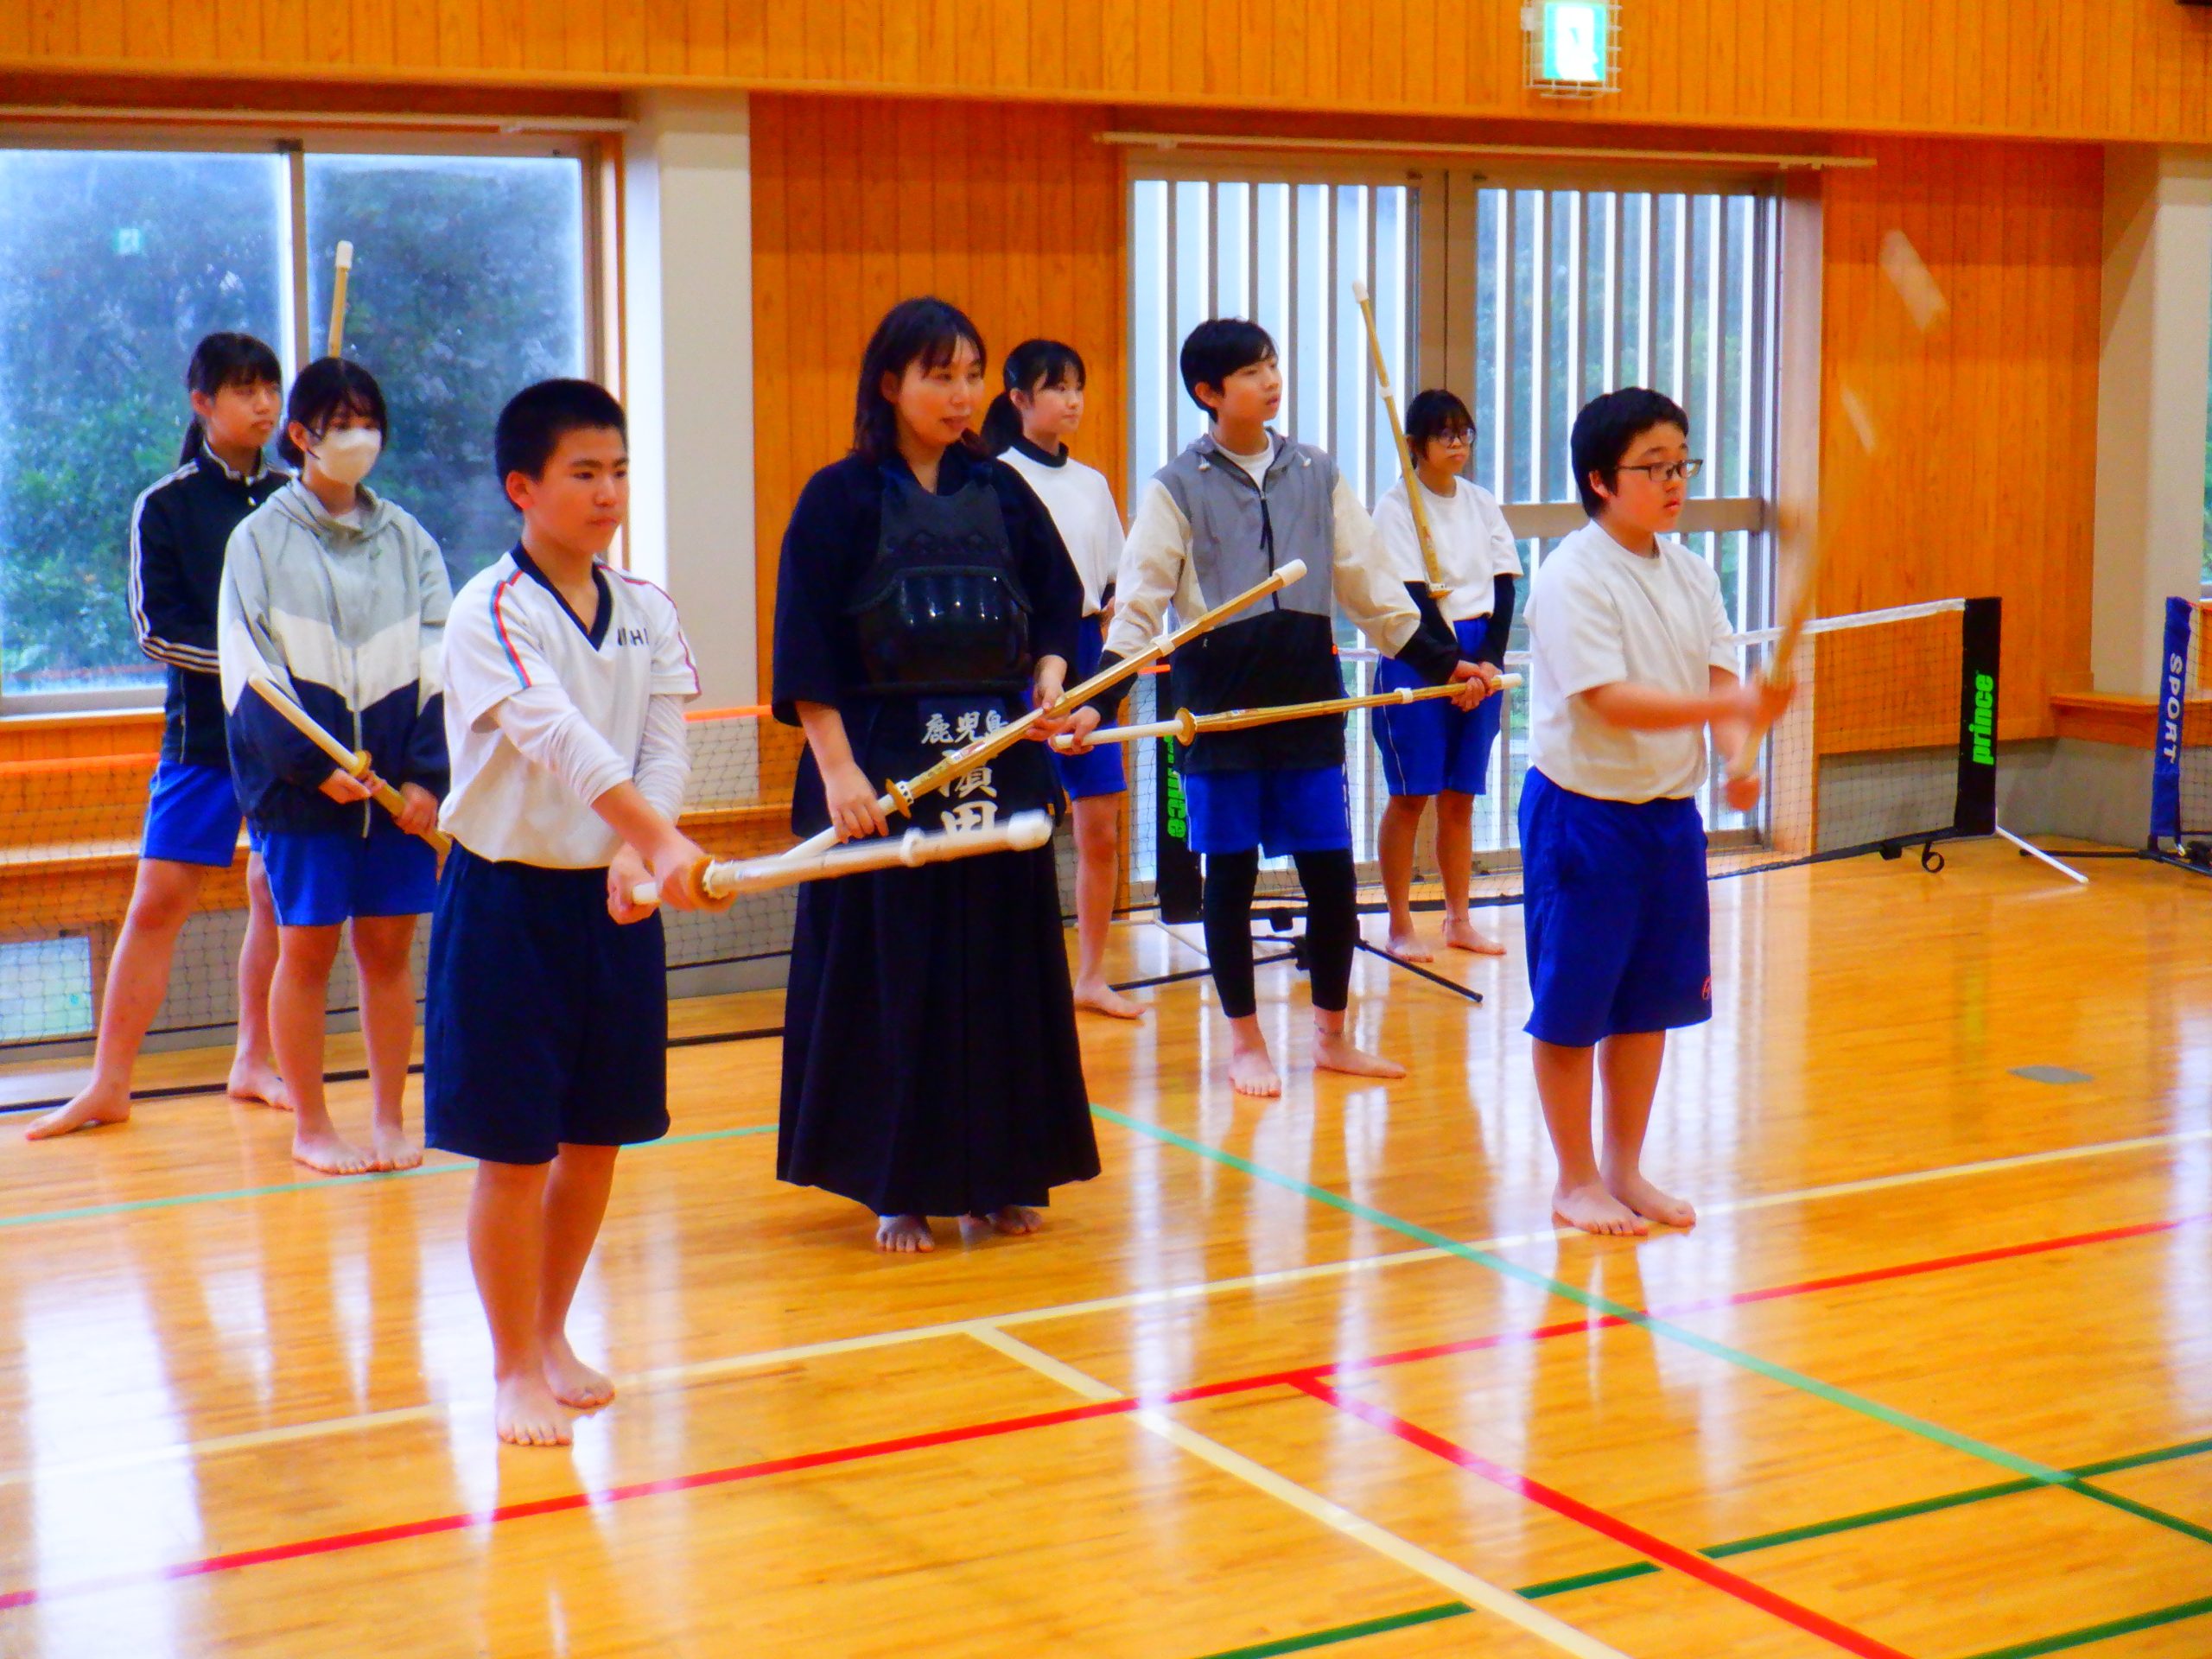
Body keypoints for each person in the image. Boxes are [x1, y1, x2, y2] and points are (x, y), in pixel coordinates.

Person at [1065, 320, 1500, 1099]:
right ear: (1209, 392)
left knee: (1331, 880)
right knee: (1228, 881)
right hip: (1217, 709)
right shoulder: (1175, 487)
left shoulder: (1317, 473)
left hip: (1307, 703)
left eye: (1272, 363)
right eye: (1250, 371)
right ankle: (1245, 1044)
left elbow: (1373, 590)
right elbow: (1138, 610)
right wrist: (1098, 703)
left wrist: (1445, 663)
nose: (1270, 380)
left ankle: (1333, 1038)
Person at [773, 296, 1100, 1254]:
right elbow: (805, 647)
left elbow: (1057, 603)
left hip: (994, 769)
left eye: (971, 375)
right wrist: (838, 772)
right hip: (882, 778)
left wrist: (1050, 675)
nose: (961, 395)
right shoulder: (838, 497)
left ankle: (1000, 1178)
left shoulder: (1002, 491)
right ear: (891, 384)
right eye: (939, 376)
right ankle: (898, 1189)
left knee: (1001, 979)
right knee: (896, 982)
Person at [429, 378, 713, 1446]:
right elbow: (561, 741)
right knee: (514, 1154)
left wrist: (643, 851)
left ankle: (550, 1336)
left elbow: (664, 743)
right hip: (506, 906)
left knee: (594, 1143)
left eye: (619, 472)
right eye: (583, 473)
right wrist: (661, 843)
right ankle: (511, 1369)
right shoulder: (489, 609)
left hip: (614, 908)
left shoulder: (647, 609)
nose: (607, 494)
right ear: (523, 487)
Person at [1519, 387, 1789, 1236]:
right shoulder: (1570, 577)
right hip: (1583, 818)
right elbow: (1611, 701)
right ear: (1601, 480)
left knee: (1646, 1005)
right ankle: (1574, 1181)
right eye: (1654, 467)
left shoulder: (1693, 573)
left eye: (1681, 464)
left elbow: (1717, 679)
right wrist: (1729, 707)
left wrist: (1739, 756)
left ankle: (1624, 1169)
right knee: (1573, 1007)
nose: (1675, 482)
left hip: (1668, 822)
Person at [28, 334, 289, 1141]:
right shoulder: (165, 505)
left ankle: (254, 1060)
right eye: (244, 390)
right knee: (157, 903)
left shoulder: (298, 501)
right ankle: (109, 1084)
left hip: (288, 745)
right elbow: (155, 631)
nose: (264, 404)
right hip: (203, 742)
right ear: (202, 403)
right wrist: (250, 665)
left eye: (271, 388)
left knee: (275, 895)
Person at [218, 358, 449, 1176]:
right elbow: (248, 669)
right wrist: (310, 768)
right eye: (341, 424)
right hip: (301, 796)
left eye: (368, 422)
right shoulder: (256, 542)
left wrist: (425, 777)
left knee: (387, 955)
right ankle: (312, 1128)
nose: (358, 437)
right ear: (302, 435)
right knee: (307, 953)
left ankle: (389, 1121)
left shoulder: (411, 540)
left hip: (394, 797)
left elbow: (440, 660)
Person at [984, 338, 1141, 1020]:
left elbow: (1114, 579)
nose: (1072, 400)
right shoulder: (994, 480)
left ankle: (1091, 976)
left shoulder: (1093, 484)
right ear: (1019, 398)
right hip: (1018, 659)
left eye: (1078, 386)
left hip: (1085, 653)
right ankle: (1016, 981)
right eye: (1057, 388)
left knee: (1099, 826)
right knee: (1021, 825)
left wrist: (1113, 614)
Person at [1369, 390, 1522, 962]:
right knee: (1411, 796)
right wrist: (1452, 664)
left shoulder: (1481, 503)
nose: (1458, 444)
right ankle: (1400, 925)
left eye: (1465, 433)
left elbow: (1505, 585)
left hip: (1480, 656)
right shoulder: (1396, 508)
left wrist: (1490, 662)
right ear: (1416, 444)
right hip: (1422, 653)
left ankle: (1459, 919)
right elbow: (1411, 597)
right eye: (1445, 434)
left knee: (1460, 798)